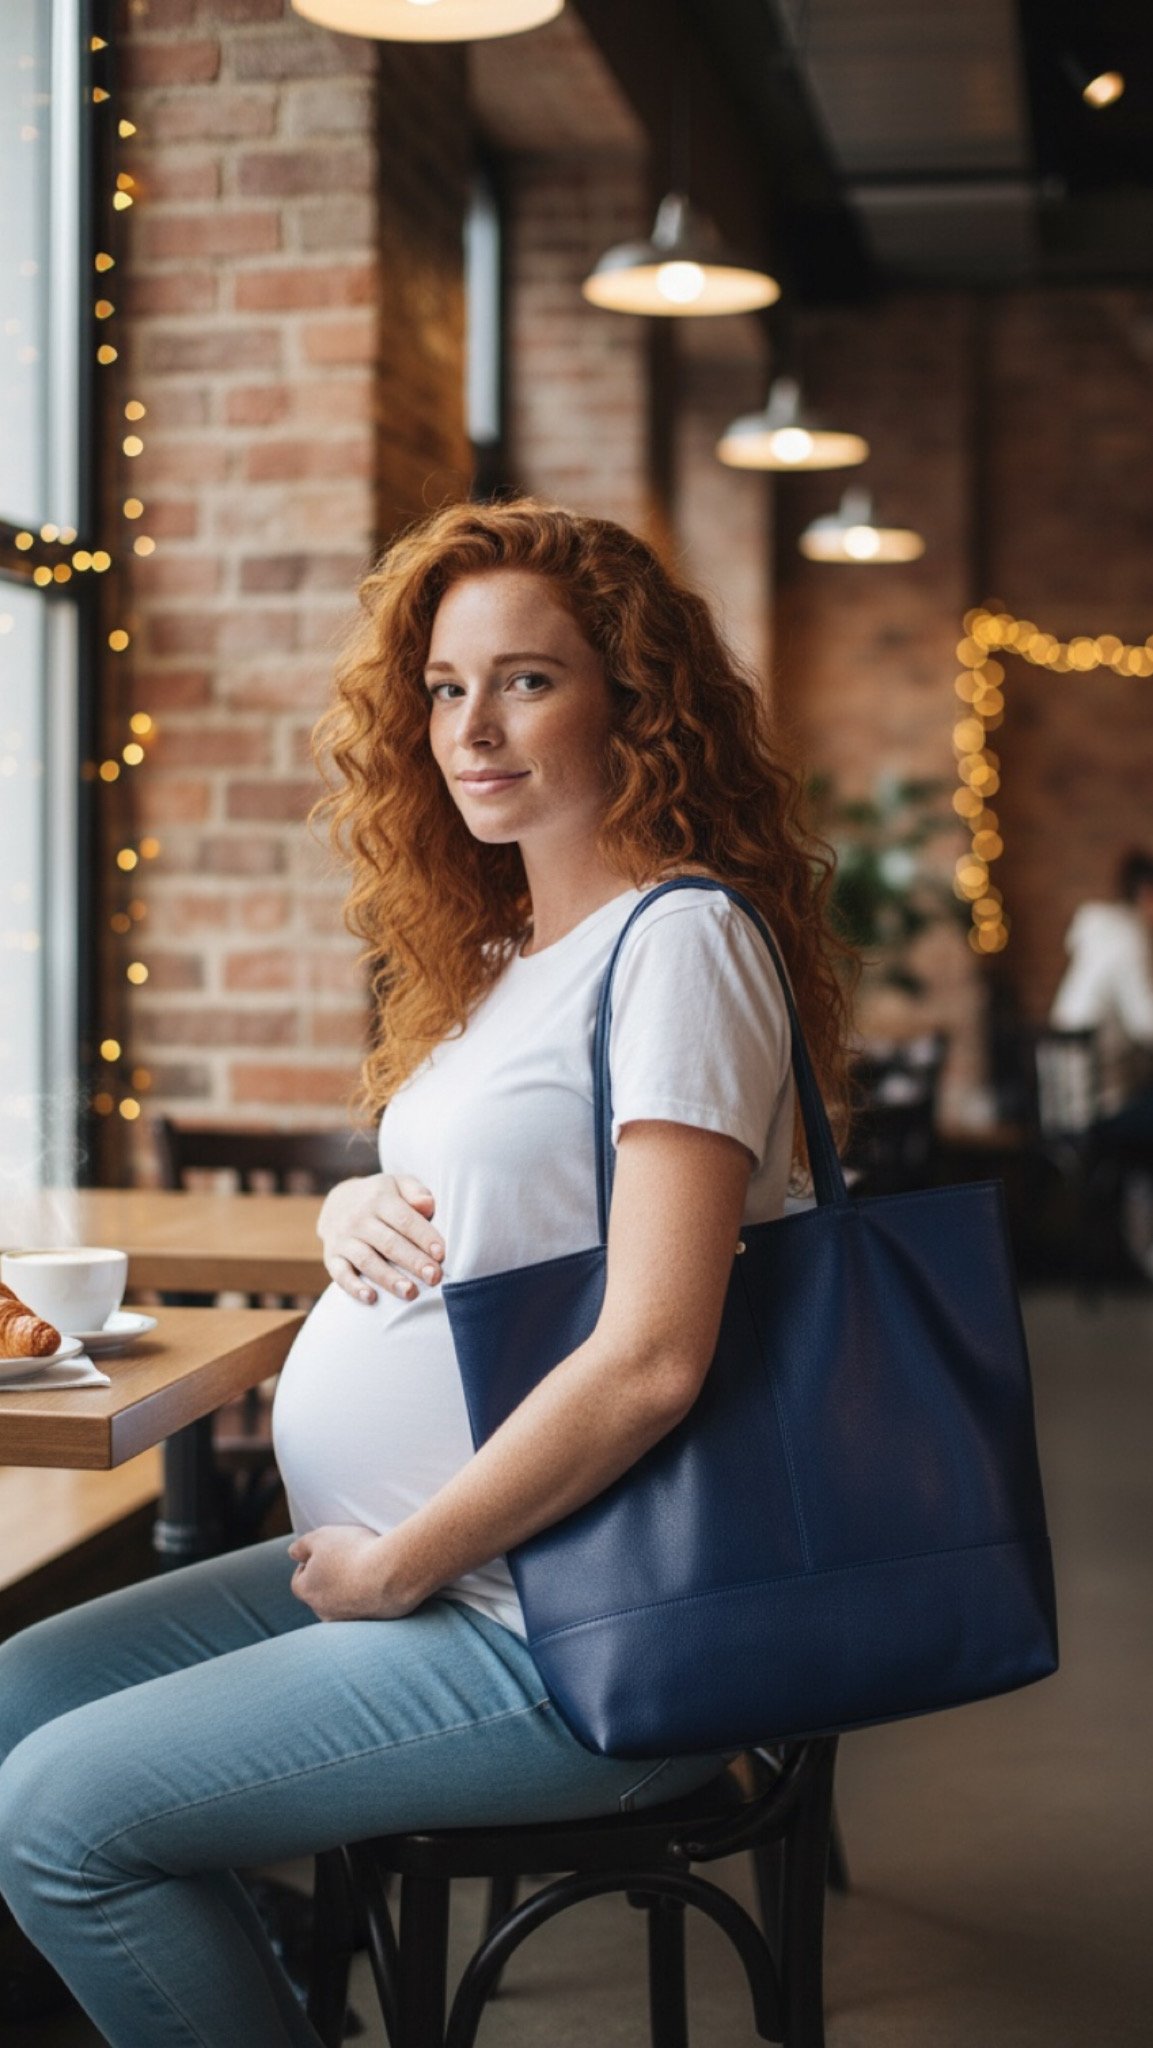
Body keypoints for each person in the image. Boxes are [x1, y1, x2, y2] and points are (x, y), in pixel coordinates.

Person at [0, 499, 853, 2047]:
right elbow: (492, 1192)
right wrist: (350, 1210)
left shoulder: (680, 945)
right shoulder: (505, 959)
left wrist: (400, 1569)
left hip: (569, 1625)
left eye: (527, 680)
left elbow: (653, 1356)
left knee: (56, 1815)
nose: (473, 727)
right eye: (447, 687)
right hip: (428, 1571)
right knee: (14, 1698)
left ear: (637, 703)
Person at [1049, 850, 1153, 1276]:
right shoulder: (1128, 937)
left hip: (1064, 1101)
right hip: (1093, 1107)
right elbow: (1146, 1022)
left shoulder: (1102, 934)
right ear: (1147, 894)